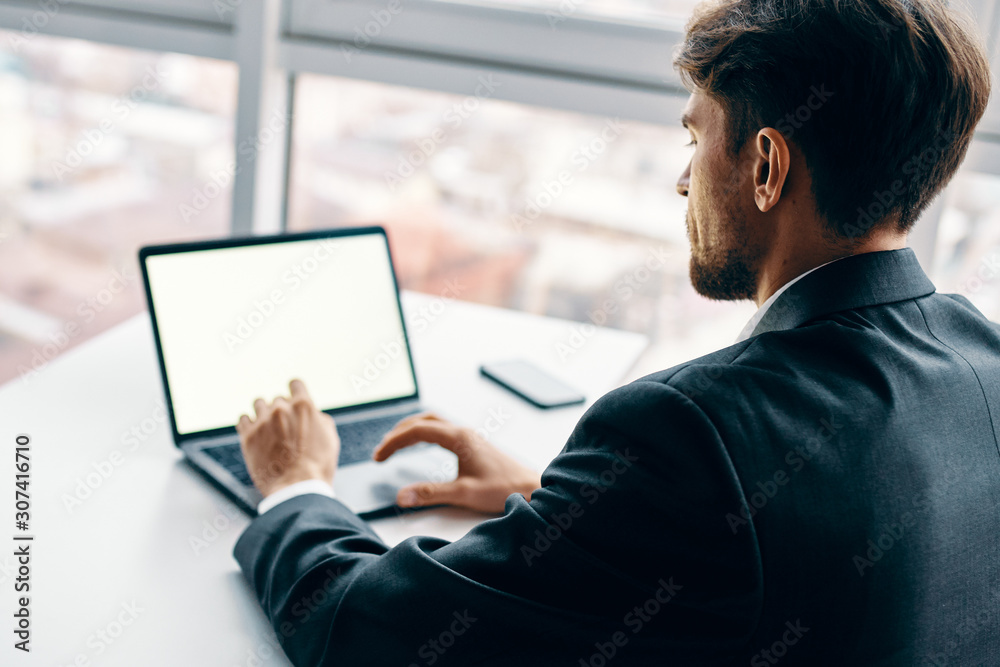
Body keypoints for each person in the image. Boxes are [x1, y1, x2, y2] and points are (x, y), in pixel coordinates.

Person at [232, 0, 999, 664]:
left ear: (767, 165)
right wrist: (557, 510)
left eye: (695, 138)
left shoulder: (687, 433)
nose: (681, 178)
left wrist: (295, 484)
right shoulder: (985, 361)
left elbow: (365, 633)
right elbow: (799, 561)